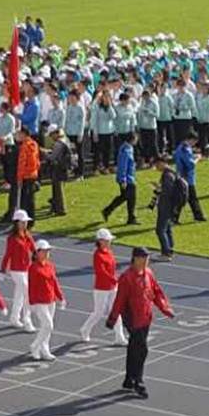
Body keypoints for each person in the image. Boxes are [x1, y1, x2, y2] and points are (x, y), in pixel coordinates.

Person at [106, 247, 175, 399]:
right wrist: (113, 318)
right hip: (133, 318)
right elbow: (120, 299)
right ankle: (138, 381)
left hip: (145, 317)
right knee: (142, 349)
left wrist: (165, 308)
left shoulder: (148, 273)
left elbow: (156, 292)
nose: (146, 261)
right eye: (144, 258)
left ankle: (129, 379)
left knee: (133, 347)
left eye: (147, 258)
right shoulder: (127, 277)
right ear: (136, 259)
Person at [80, 228, 127, 344]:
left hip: (113, 286)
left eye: (109, 240)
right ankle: (85, 329)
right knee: (98, 312)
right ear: (100, 241)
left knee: (115, 311)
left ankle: (119, 337)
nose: (109, 242)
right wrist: (114, 279)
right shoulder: (98, 255)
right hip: (101, 288)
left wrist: (116, 279)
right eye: (107, 240)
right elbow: (101, 272)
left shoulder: (109, 252)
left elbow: (112, 268)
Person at [27, 240, 65, 361]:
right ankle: (35, 346)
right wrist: (31, 303)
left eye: (48, 251)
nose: (47, 253)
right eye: (44, 251)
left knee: (46, 326)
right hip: (39, 301)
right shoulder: (33, 268)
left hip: (50, 299)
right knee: (48, 325)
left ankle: (44, 349)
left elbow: (54, 282)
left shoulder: (50, 265)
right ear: (37, 252)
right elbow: (31, 286)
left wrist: (60, 297)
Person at [3, 210, 36, 331]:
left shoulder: (27, 235)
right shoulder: (12, 238)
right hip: (16, 270)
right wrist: (2, 270)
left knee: (19, 295)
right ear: (16, 223)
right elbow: (7, 254)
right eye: (22, 222)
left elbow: (34, 250)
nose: (25, 224)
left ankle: (14, 317)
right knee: (27, 293)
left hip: (26, 269)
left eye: (26, 222)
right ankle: (27, 320)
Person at [153, 159, 185, 262]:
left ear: (162, 163)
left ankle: (166, 253)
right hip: (171, 206)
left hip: (166, 206)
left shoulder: (167, 175)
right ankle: (170, 249)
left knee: (160, 230)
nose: (156, 167)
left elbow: (167, 192)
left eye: (157, 165)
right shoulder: (173, 173)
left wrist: (159, 188)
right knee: (167, 229)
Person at [103, 132, 138, 224]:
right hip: (127, 179)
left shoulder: (127, 148)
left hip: (128, 177)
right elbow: (123, 166)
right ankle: (108, 210)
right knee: (128, 197)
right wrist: (123, 180)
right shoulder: (126, 151)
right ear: (132, 139)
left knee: (126, 197)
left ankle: (130, 217)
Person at [173, 131, 206, 221]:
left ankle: (175, 217)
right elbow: (190, 164)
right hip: (187, 176)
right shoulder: (186, 149)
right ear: (191, 139)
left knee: (182, 198)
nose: (194, 144)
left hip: (181, 175)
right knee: (190, 198)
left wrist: (193, 156)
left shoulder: (181, 147)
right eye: (194, 142)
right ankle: (198, 215)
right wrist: (197, 159)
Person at [14, 128, 40, 221]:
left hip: (26, 175)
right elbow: (37, 160)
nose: (17, 136)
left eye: (19, 134)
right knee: (31, 199)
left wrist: (19, 178)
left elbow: (22, 164)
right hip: (33, 174)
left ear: (23, 134)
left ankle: (24, 220)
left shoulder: (24, 146)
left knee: (24, 200)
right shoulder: (34, 144)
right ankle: (32, 218)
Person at [46, 127, 73, 215]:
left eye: (51, 135)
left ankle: (61, 209)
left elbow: (53, 157)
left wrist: (44, 153)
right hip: (64, 167)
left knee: (58, 190)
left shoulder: (59, 144)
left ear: (55, 133)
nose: (51, 137)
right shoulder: (65, 139)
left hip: (59, 168)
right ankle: (54, 207)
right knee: (57, 189)